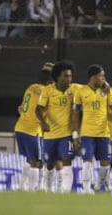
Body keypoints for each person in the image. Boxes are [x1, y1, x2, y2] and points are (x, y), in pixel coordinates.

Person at [71, 64, 112, 194]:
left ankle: (102, 183)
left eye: (104, 76)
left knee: (105, 162)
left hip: (104, 133)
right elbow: (75, 115)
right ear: (93, 77)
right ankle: (86, 189)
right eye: (101, 76)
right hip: (87, 133)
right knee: (87, 160)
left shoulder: (106, 91)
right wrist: (75, 134)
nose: (103, 78)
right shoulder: (81, 91)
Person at [36, 60, 80, 193]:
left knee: (65, 160)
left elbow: (92, 87)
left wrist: (105, 85)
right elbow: (38, 109)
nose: (69, 79)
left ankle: (63, 191)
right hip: (50, 135)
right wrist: (43, 123)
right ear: (57, 77)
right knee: (49, 164)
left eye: (70, 76)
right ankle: (49, 189)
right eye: (66, 76)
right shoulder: (48, 90)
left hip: (67, 134)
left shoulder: (75, 89)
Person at [15, 69, 53, 191]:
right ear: (49, 81)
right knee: (37, 162)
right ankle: (31, 190)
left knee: (30, 159)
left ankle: (21, 187)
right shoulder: (45, 92)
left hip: (20, 127)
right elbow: (40, 111)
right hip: (33, 130)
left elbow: (21, 109)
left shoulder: (31, 88)